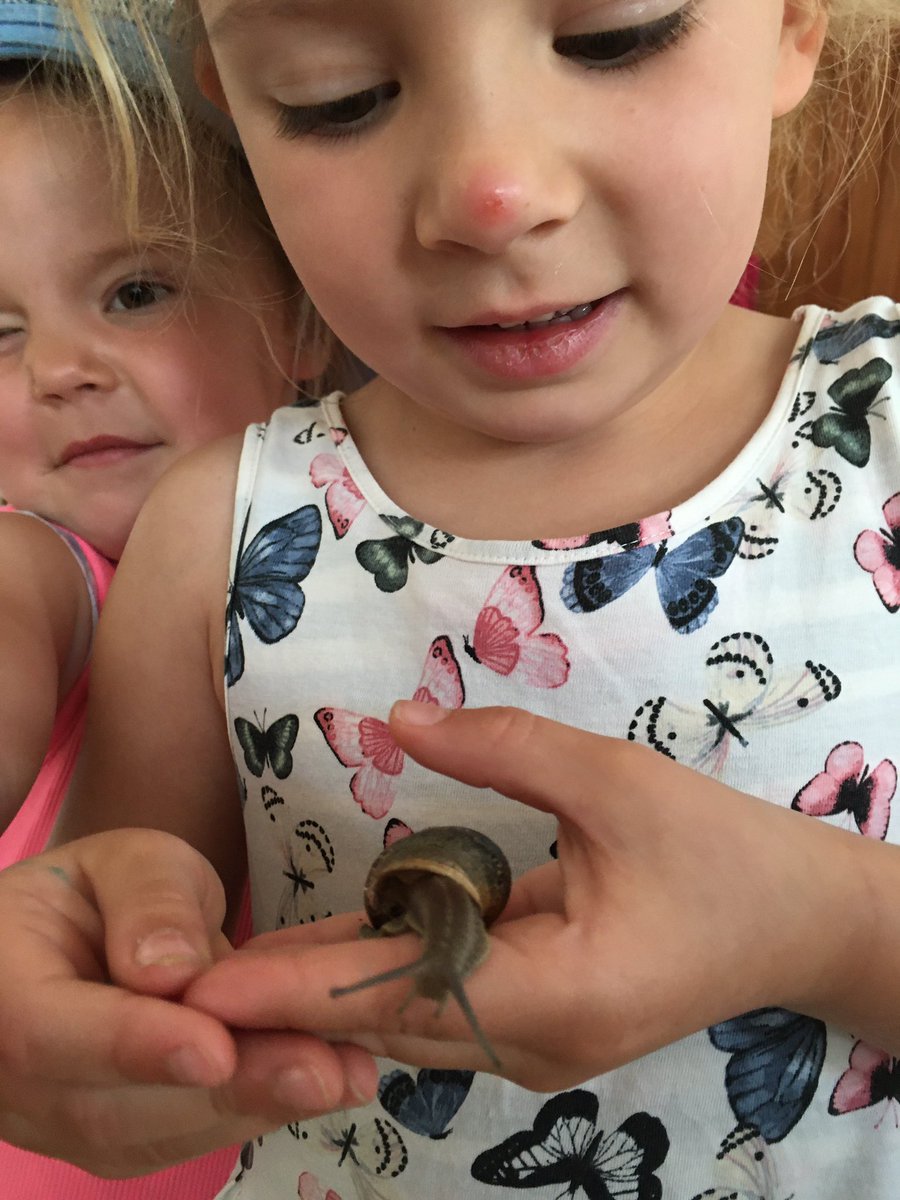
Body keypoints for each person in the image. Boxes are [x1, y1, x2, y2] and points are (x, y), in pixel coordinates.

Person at [3, 0, 900, 1194]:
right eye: (337, 97)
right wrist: (78, 1016)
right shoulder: (221, 536)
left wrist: (822, 922)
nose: (492, 194)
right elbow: (121, 940)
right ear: (233, 99)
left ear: (795, 24)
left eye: (613, 36)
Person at [0, 2, 354, 1195]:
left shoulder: (358, 543)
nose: (60, 368)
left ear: (305, 308)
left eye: (136, 292)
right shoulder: (41, 560)